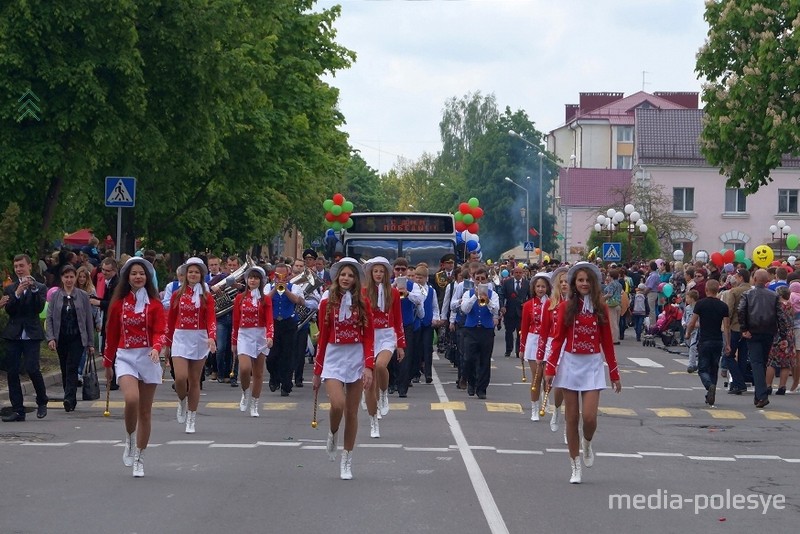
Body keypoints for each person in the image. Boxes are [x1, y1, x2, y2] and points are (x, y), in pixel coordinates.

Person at [545, 262, 621, 484]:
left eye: (587, 280)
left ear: (593, 283)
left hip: (592, 365)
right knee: (571, 418)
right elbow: (557, 339)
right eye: (580, 280)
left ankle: (587, 442)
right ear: (573, 283)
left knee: (589, 417)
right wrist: (550, 368)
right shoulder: (564, 308)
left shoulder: (600, 308)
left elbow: (607, 342)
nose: (584, 284)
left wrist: (614, 374)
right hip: (570, 364)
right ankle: (575, 464)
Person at [102, 257, 166, 477]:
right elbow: (111, 334)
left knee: (145, 413)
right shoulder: (119, 304)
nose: (138, 277)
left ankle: (140, 456)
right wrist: (108, 363)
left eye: (141, 273)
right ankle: (129, 438)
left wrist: (157, 347)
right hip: (126, 356)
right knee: (131, 399)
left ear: (147, 277)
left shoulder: (155, 304)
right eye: (133, 273)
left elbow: (160, 330)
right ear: (127, 277)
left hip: (149, 357)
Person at [312, 258, 375, 480]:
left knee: (352, 411)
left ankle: (347, 458)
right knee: (337, 404)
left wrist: (368, 366)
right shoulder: (326, 302)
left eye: (350, 275)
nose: (346, 278)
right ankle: (332, 432)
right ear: (337, 277)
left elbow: (369, 336)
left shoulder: (363, 303)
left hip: (356, 356)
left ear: (356, 279)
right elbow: (323, 339)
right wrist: (318, 372)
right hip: (333, 356)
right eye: (343, 275)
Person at [165, 257, 217, 433]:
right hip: (180, 337)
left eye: (196, 272)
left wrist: (211, 337)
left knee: (194, 380)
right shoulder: (176, 294)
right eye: (190, 272)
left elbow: (211, 318)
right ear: (185, 274)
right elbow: (170, 321)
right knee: (180, 377)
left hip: (199, 338)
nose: (193, 274)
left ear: (201, 275)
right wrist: (167, 342)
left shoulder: (207, 296)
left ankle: (191, 417)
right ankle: (181, 400)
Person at [1, 254, 49, 422]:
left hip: (31, 333)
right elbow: (10, 310)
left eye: (21, 266)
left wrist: (33, 289)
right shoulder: (10, 288)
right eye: (16, 267)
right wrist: (17, 294)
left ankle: (42, 401)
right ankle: (18, 410)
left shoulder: (40, 287)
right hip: (14, 334)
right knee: (12, 371)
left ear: (29, 266)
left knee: (32, 368)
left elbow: (39, 307)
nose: (19, 269)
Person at [363, 257, 406, 438]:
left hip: (387, 335)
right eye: (375, 271)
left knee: (381, 366)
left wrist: (401, 344)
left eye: (381, 271)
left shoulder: (394, 293)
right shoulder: (364, 292)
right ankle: (373, 421)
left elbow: (398, 318)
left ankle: (384, 393)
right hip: (369, 335)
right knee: (369, 381)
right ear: (371, 274)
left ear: (386, 273)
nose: (378, 274)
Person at [45, 265, 96, 412]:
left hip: (77, 338)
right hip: (61, 337)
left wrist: (90, 343)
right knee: (64, 367)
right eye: (66, 277)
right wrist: (51, 338)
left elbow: (88, 320)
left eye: (71, 277)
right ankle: (68, 394)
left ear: (75, 278)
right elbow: (49, 318)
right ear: (61, 278)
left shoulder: (82, 296)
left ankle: (69, 398)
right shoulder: (55, 296)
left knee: (72, 366)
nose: (69, 280)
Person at [232, 266, 274, 417]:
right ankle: (245, 391)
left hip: (260, 334)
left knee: (258, 373)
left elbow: (269, 319)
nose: (253, 280)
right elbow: (236, 321)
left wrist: (270, 336)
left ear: (261, 281)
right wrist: (234, 341)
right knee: (244, 368)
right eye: (250, 277)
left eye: (256, 278)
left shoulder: (266, 299)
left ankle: (255, 403)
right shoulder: (239, 298)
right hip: (244, 334)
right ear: (246, 280)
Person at [738, 269, 780, 408]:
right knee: (762, 362)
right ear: (767, 280)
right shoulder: (773, 295)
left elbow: (741, 311)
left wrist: (744, 329)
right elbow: (780, 315)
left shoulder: (748, 294)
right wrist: (782, 333)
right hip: (768, 331)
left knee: (756, 362)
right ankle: (759, 396)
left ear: (754, 279)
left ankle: (761, 395)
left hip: (753, 331)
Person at [684, 280, 730, 407]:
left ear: (706, 290)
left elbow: (692, 322)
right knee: (714, 368)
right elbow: (726, 326)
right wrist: (728, 344)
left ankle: (709, 386)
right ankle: (711, 392)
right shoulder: (723, 306)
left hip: (704, 340)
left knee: (702, 369)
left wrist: (688, 333)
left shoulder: (700, 304)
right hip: (717, 341)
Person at [536, 265, 570, 434]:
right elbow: (544, 330)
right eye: (561, 282)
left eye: (567, 281)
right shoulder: (550, 303)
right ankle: (556, 410)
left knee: (564, 386)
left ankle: (560, 413)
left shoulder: (576, 304)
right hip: (553, 344)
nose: (564, 284)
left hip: (570, 347)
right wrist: (540, 354)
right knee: (553, 379)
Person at [264, 263, 305, 396]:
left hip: (289, 323)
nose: (280, 278)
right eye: (278, 275)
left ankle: (286, 385)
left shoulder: (295, 287)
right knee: (272, 357)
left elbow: (298, 301)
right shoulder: (268, 287)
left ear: (288, 275)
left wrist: (286, 290)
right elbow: (264, 301)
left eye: (283, 275)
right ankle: (274, 377)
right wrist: (275, 289)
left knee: (288, 355)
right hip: (273, 323)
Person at [460, 267, 500, 399]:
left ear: (487, 280)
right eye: (477, 279)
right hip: (471, 330)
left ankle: (482, 389)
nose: (480, 281)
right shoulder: (468, 293)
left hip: (486, 330)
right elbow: (465, 310)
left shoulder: (493, 294)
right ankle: (471, 383)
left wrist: (487, 300)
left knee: (484, 360)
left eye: (483, 279)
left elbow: (495, 310)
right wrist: (474, 297)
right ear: (473, 280)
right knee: (469, 358)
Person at [518, 272, 550, 421]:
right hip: (533, 342)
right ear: (534, 288)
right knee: (536, 377)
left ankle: (545, 399)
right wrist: (522, 348)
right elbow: (524, 328)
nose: (540, 289)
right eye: (538, 286)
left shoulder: (552, 304)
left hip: (548, 342)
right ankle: (534, 409)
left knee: (547, 377)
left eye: (543, 286)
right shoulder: (528, 305)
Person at [765, 285, 795, 396]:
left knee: (772, 361)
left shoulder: (776, 305)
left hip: (777, 334)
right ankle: (782, 386)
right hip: (789, 335)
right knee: (785, 363)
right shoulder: (790, 306)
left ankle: (768, 385)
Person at [499, 265, 530, 358]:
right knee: (508, 332)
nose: (518, 274)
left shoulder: (527, 283)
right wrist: (502, 306)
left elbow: (531, 296)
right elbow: (501, 295)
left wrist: (527, 304)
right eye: (516, 272)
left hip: (521, 312)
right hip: (509, 311)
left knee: (520, 332)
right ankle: (508, 350)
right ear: (513, 273)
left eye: (520, 272)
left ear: (523, 273)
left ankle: (518, 351)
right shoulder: (507, 282)